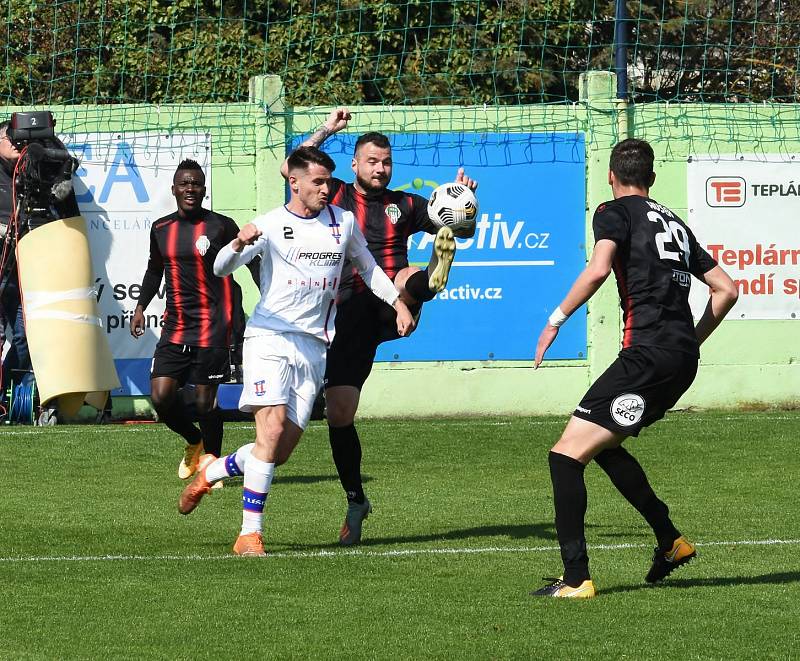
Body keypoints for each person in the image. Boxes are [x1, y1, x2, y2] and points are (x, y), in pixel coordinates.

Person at [178, 146, 414, 556]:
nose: (326, 190)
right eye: (318, 183)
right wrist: (237, 243)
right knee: (268, 432)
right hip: (269, 339)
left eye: (327, 182)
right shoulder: (269, 224)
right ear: (295, 182)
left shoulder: (343, 222)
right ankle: (249, 534)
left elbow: (369, 268)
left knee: (278, 451)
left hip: (314, 348)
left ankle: (210, 472)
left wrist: (397, 302)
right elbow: (219, 268)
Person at [530, 138, 738, 598]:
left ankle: (576, 578)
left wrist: (554, 321)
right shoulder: (676, 224)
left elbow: (598, 269)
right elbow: (726, 290)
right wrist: (689, 342)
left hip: (646, 355)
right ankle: (671, 541)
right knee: (600, 444)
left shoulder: (613, 211)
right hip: (679, 360)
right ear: (652, 178)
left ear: (611, 176)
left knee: (565, 456)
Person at [283, 109, 478, 546]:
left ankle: (432, 276)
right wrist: (327, 131)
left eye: (386, 161)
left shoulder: (406, 204)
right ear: (354, 164)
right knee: (339, 414)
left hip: (393, 302)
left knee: (405, 277)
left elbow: (458, 228)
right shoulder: (330, 192)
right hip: (344, 314)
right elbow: (290, 167)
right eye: (372, 161)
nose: (380, 168)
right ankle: (355, 498)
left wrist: (463, 207)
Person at [131, 159, 257, 479]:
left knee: (205, 404)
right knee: (161, 396)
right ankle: (194, 440)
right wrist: (141, 307)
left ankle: (210, 467)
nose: (191, 189)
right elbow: (154, 270)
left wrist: (268, 292)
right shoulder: (161, 228)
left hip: (213, 327)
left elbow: (250, 259)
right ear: (174, 189)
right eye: (184, 184)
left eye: (196, 184)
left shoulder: (221, 226)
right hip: (175, 327)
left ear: (203, 189)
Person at [0, 120, 31, 403]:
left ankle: (11, 396)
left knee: (24, 337)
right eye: (7, 137)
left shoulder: (32, 172)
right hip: (1, 272)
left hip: (26, 276)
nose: (14, 143)